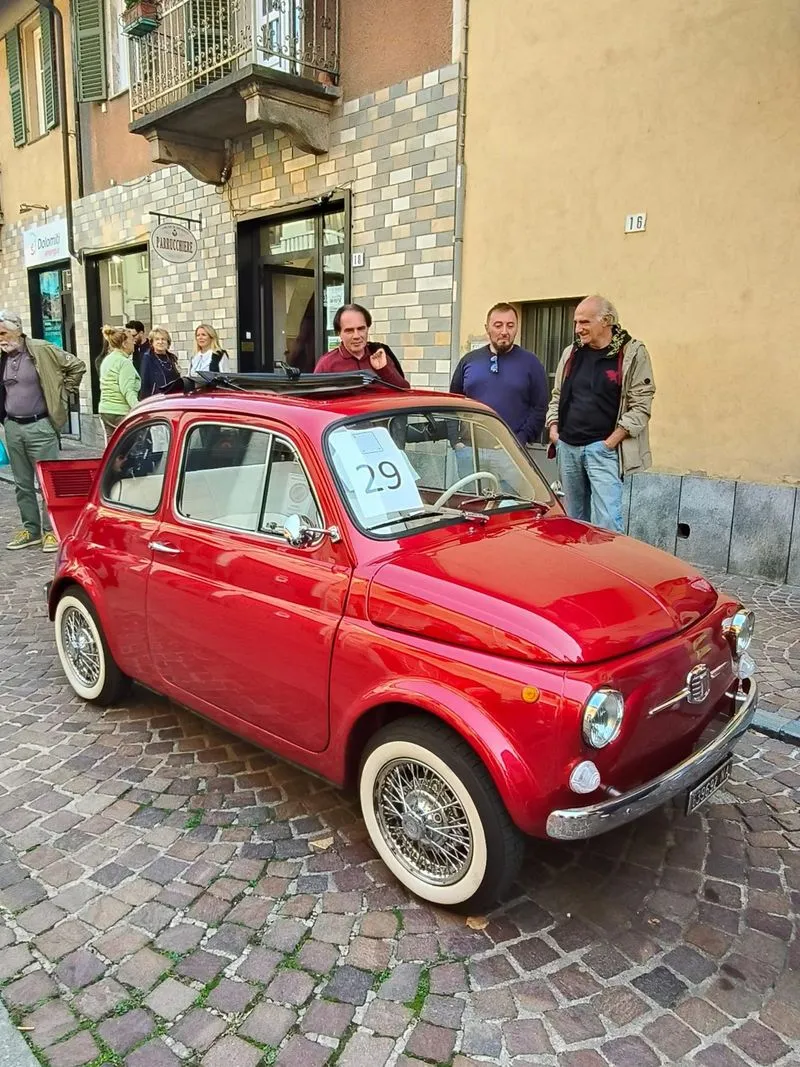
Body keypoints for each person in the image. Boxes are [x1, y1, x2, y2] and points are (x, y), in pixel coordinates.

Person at [545, 295, 655, 533]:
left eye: (584, 322)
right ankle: (578, 569)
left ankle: (608, 568)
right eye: (576, 323)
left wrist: (610, 443)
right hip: (568, 446)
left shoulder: (631, 353)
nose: (578, 329)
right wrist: (554, 431)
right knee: (574, 520)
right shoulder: (571, 353)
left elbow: (641, 406)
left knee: (607, 525)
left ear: (606, 320)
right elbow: (557, 395)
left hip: (603, 450)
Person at [0, 309, 86, 552]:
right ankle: (31, 530)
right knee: (22, 483)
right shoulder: (3, 357)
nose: (1, 338)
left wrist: (64, 395)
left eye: (4, 333)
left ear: (17, 329)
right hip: (13, 426)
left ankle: (51, 531)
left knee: (48, 483)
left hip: (40, 425)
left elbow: (77, 366)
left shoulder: (41, 349)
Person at [450, 303, 548, 445]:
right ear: (487, 328)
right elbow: (453, 401)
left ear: (516, 328)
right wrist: (454, 440)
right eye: (498, 325)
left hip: (512, 453)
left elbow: (539, 407)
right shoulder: (469, 360)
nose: (504, 331)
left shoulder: (531, 363)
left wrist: (521, 439)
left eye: (510, 325)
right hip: (468, 450)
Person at [314, 304, 410, 388]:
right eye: (349, 330)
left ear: (367, 329)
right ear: (339, 333)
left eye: (361, 329)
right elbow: (314, 401)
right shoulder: (327, 364)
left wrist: (384, 370)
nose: (356, 336)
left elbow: (405, 391)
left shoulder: (379, 355)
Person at [97, 325, 141, 441]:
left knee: (112, 448)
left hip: (105, 410)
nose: (134, 343)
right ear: (124, 344)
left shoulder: (107, 360)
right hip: (120, 411)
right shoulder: (124, 362)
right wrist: (140, 409)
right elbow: (127, 391)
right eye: (132, 340)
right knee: (129, 448)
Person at [139, 327, 180, 398]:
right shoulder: (148, 358)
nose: (160, 342)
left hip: (172, 398)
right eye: (157, 339)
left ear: (168, 342)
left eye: (163, 339)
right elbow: (144, 383)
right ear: (152, 342)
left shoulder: (172, 358)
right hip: (156, 399)